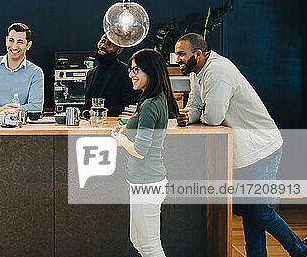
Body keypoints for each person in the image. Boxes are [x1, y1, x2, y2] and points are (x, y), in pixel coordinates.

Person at [174, 33, 307, 257]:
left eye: (181, 54)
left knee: (260, 212)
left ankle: (301, 251)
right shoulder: (197, 71)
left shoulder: (217, 72)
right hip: (243, 151)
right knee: (248, 210)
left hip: (261, 148)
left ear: (197, 54)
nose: (177, 59)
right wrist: (190, 115)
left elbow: (214, 117)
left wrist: (197, 114)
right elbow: (195, 104)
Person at [112, 48, 178, 257]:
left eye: (136, 70)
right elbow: (141, 125)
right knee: (138, 241)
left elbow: (140, 150)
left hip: (147, 182)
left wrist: (122, 141)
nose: (131, 75)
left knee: (150, 246)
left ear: (150, 71)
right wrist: (125, 127)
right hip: (143, 181)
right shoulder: (153, 99)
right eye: (131, 70)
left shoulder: (150, 104)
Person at [84, 33, 139, 116]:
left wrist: (101, 113)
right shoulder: (90, 74)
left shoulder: (126, 73)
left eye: (109, 45)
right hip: (92, 125)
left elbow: (130, 106)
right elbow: (87, 105)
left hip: (116, 124)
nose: (103, 46)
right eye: (102, 41)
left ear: (119, 51)